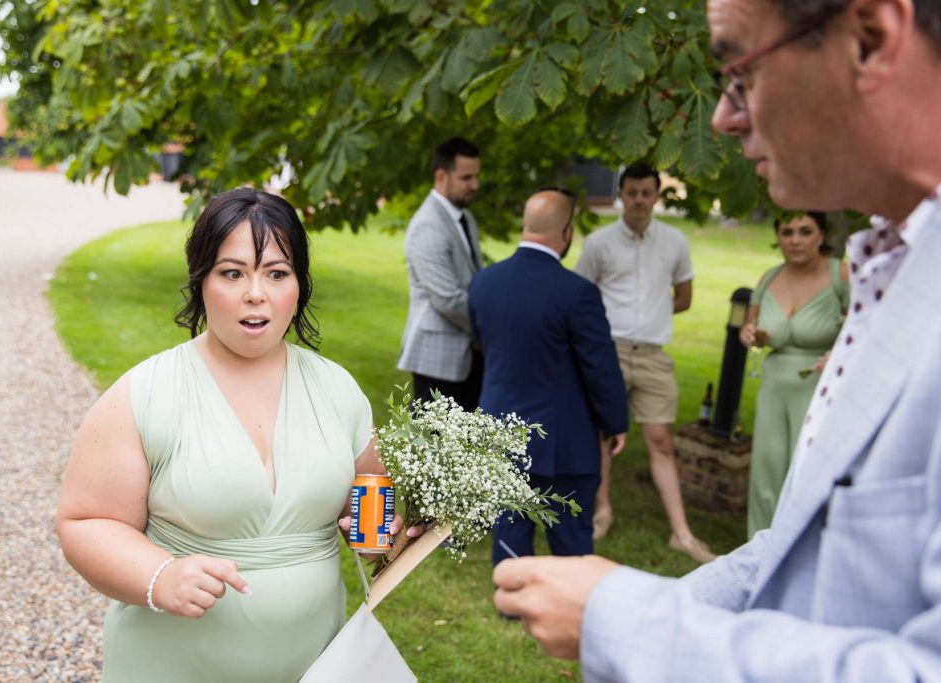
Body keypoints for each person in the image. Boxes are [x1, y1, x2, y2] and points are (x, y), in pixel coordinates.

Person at [494, 0, 941, 679]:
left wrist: (624, 618)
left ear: (872, 40)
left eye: (741, 74)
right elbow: (795, 552)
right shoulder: (892, 264)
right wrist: (635, 605)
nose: (722, 118)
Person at [56, 188, 415, 682]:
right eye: (232, 272)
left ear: (299, 285)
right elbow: (85, 522)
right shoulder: (143, 394)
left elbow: (369, 508)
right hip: (176, 666)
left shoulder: (338, 389)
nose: (255, 293)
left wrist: (379, 539)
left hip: (313, 663)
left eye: (276, 273)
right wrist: (160, 576)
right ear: (201, 280)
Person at [468, 189, 629, 566]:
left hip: (500, 430)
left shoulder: (483, 283)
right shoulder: (578, 294)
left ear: (526, 226)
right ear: (567, 232)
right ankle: (567, 599)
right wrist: (615, 422)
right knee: (571, 538)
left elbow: (482, 344)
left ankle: (510, 598)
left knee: (508, 529)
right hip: (564, 441)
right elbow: (600, 368)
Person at [574, 162, 714, 563]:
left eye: (646, 193)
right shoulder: (599, 242)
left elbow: (684, 297)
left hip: (653, 357)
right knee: (602, 437)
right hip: (609, 353)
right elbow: (581, 297)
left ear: (656, 195)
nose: (638, 200)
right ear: (621, 195)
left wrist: (653, 314)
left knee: (661, 440)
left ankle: (681, 534)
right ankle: (602, 512)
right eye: (631, 192)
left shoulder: (674, 241)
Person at [740, 212, 849, 537]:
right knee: (767, 469)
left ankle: (805, 548)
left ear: (821, 235)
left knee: (806, 471)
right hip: (774, 383)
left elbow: (865, 327)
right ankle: (759, 549)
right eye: (787, 232)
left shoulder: (840, 275)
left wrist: (839, 353)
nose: (795, 240)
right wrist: (748, 334)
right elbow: (751, 326)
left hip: (820, 386)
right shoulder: (769, 278)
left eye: (805, 231)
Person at [396, 136, 484, 411]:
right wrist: (495, 330)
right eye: (466, 178)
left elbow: (474, 281)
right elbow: (448, 300)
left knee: (468, 447)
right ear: (441, 176)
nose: (475, 185)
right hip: (437, 359)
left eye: (476, 177)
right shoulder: (428, 226)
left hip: (468, 355)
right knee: (436, 449)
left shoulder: (464, 218)